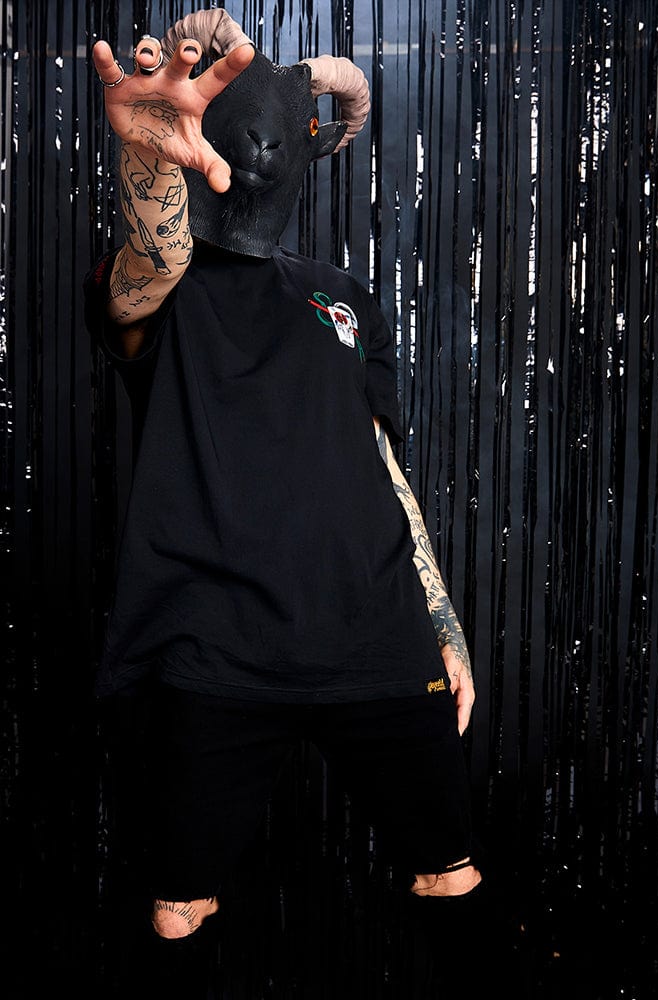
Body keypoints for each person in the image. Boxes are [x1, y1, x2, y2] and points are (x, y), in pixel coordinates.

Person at [86, 9, 495, 996]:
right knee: (180, 906)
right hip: (215, 647)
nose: (262, 145)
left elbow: (378, 459)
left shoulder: (342, 295)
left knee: (450, 873)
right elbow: (147, 262)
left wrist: (438, 619)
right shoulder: (165, 287)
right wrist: (148, 160)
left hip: (374, 635)